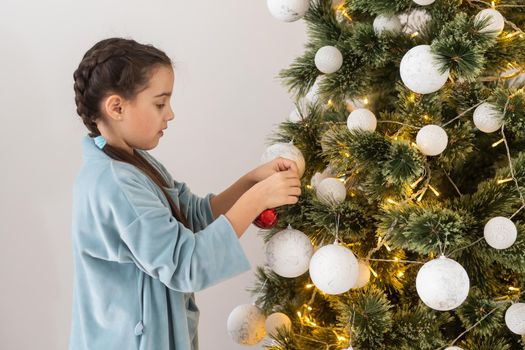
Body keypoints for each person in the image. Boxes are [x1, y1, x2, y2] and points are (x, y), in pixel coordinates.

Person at [69, 37, 302, 350]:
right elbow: (185, 264)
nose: (170, 114)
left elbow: (192, 217)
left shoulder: (131, 162)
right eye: (160, 103)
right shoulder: (116, 184)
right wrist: (258, 199)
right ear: (117, 107)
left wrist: (251, 182)